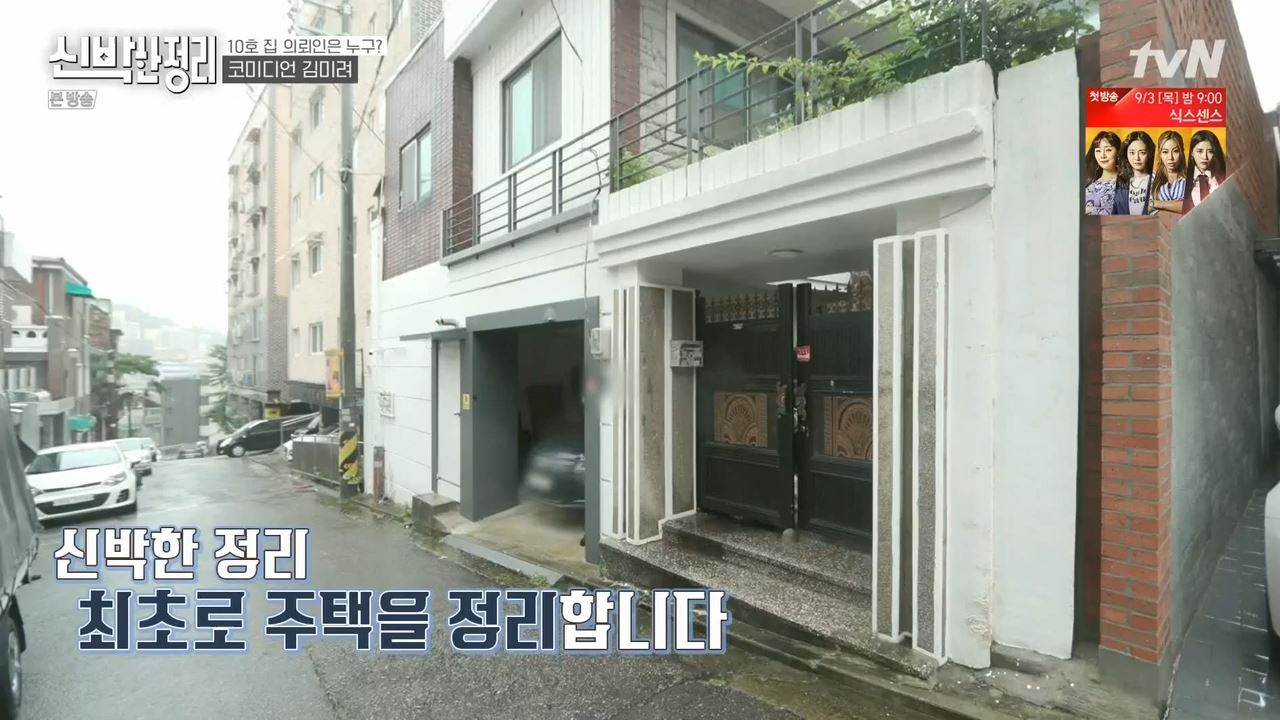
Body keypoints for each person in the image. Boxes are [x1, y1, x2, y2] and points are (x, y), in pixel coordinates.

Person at [1181, 129, 1228, 213]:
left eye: (1210, 151)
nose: (1205, 157)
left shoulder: (1224, 177)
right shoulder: (1183, 180)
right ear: (1192, 153)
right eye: (1199, 151)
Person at [1113, 131, 1155, 215]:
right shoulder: (1119, 183)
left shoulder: (1156, 180)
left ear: (1150, 153)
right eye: (1132, 153)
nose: (1137, 158)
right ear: (1126, 153)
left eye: (1142, 153)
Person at [1084, 131, 1122, 216]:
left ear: (1118, 152)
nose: (1102, 155)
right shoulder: (1089, 185)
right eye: (1098, 151)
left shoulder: (1128, 183)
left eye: (1108, 150)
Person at [1151, 130, 1186, 213]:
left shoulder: (1191, 179)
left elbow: (1190, 206)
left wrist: (1156, 203)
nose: (1170, 157)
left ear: (1181, 152)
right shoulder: (1151, 177)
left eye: (1175, 151)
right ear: (1160, 154)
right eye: (1165, 152)